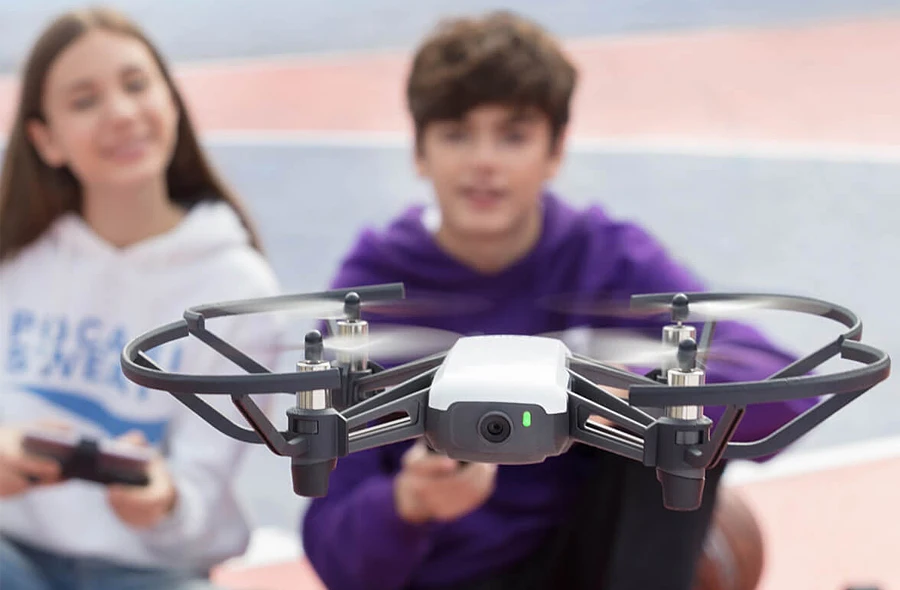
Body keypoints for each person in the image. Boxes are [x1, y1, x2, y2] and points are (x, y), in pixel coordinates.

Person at [301, 10, 814, 590]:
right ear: (419, 151)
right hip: (444, 577)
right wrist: (408, 503)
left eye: (513, 136)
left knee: (677, 414)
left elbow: (785, 388)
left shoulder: (605, 258)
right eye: (457, 133)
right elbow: (333, 554)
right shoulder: (371, 293)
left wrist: (626, 392)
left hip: (585, 563)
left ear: (555, 151)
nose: (484, 161)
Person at [0, 6, 286, 589]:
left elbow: (204, 506)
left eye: (136, 85)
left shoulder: (238, 290)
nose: (122, 113)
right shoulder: (15, 261)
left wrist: (166, 502)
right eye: (85, 100)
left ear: (171, 101)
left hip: (150, 572)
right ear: (45, 139)